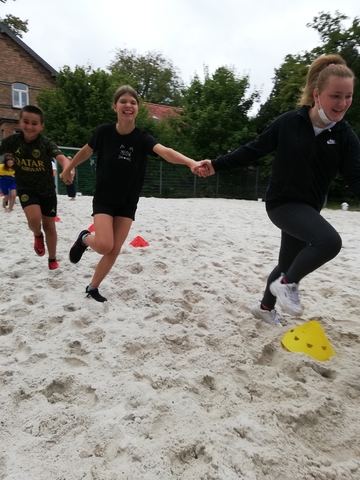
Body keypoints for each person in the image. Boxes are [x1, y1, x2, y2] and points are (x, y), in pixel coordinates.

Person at [195, 54, 360, 327]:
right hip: (282, 204)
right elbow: (252, 150)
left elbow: (355, 177)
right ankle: (288, 284)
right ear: (318, 94)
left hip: (309, 209)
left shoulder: (345, 136)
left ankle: (265, 308)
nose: (342, 104)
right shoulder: (289, 123)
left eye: (348, 96)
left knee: (288, 262)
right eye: (335, 96)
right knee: (329, 242)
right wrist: (215, 165)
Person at [61, 85, 199, 302]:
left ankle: (92, 287)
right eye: (123, 101)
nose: (128, 105)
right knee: (105, 244)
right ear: (115, 106)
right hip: (105, 198)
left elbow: (165, 152)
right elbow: (86, 151)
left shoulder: (142, 138)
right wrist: (68, 168)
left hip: (127, 202)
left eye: (133, 102)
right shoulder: (104, 132)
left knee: (114, 249)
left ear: (137, 108)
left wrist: (190, 162)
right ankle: (85, 239)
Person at [0, 105, 72, 270]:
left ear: (41, 126)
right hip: (26, 188)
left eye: (34, 123)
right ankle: (37, 235)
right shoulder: (12, 141)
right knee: (34, 220)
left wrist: (68, 169)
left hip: (47, 190)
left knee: (50, 226)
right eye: (26, 122)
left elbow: (61, 158)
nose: (30, 127)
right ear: (20, 122)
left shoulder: (45, 143)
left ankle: (52, 259)